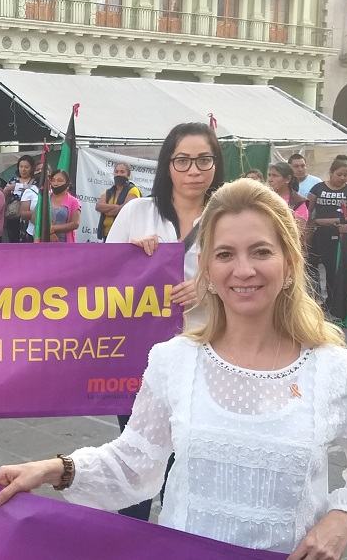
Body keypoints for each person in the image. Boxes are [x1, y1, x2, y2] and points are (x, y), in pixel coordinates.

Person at [0, 179, 347, 556]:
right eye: (225, 254)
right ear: (207, 267)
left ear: (291, 262)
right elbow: (135, 461)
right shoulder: (174, 361)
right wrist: (54, 469)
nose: (243, 270)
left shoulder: (335, 371)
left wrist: (344, 517)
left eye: (261, 251)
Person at [98, 121, 223, 520]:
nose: (193, 170)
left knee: (187, 461)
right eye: (182, 160)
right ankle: (131, 539)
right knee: (137, 455)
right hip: (141, 359)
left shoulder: (228, 218)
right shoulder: (138, 212)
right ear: (168, 164)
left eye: (203, 160)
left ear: (216, 164)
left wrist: (211, 288)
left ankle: (178, 534)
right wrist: (131, 258)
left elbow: (254, 278)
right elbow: (103, 280)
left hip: (206, 355)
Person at [306, 159, 347, 309]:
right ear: (330, 173)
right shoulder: (318, 188)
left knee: (334, 270)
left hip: (342, 236)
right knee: (312, 268)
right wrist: (309, 230)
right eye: (339, 174)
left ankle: (333, 302)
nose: (343, 178)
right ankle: (313, 300)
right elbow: (308, 211)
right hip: (320, 234)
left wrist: (333, 220)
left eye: (346, 175)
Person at [96, 163, 141, 241]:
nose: (118, 174)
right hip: (107, 235)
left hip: (124, 235)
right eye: (116, 172)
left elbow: (126, 208)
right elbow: (98, 206)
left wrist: (108, 210)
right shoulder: (109, 192)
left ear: (128, 175)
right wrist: (116, 207)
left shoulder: (133, 190)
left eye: (122, 172)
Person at [4, 155, 37, 243]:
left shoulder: (35, 182)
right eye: (21, 167)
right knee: (13, 240)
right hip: (13, 215)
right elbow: (3, 196)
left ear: (31, 168)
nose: (23, 169)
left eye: (26, 167)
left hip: (29, 218)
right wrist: (9, 188)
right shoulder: (13, 180)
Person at [42, 169, 81, 242]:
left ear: (67, 184)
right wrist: (50, 233)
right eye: (53, 180)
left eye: (59, 181)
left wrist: (54, 228)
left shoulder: (74, 202)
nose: (55, 183)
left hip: (65, 242)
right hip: (44, 240)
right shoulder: (45, 198)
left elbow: (75, 223)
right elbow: (34, 218)